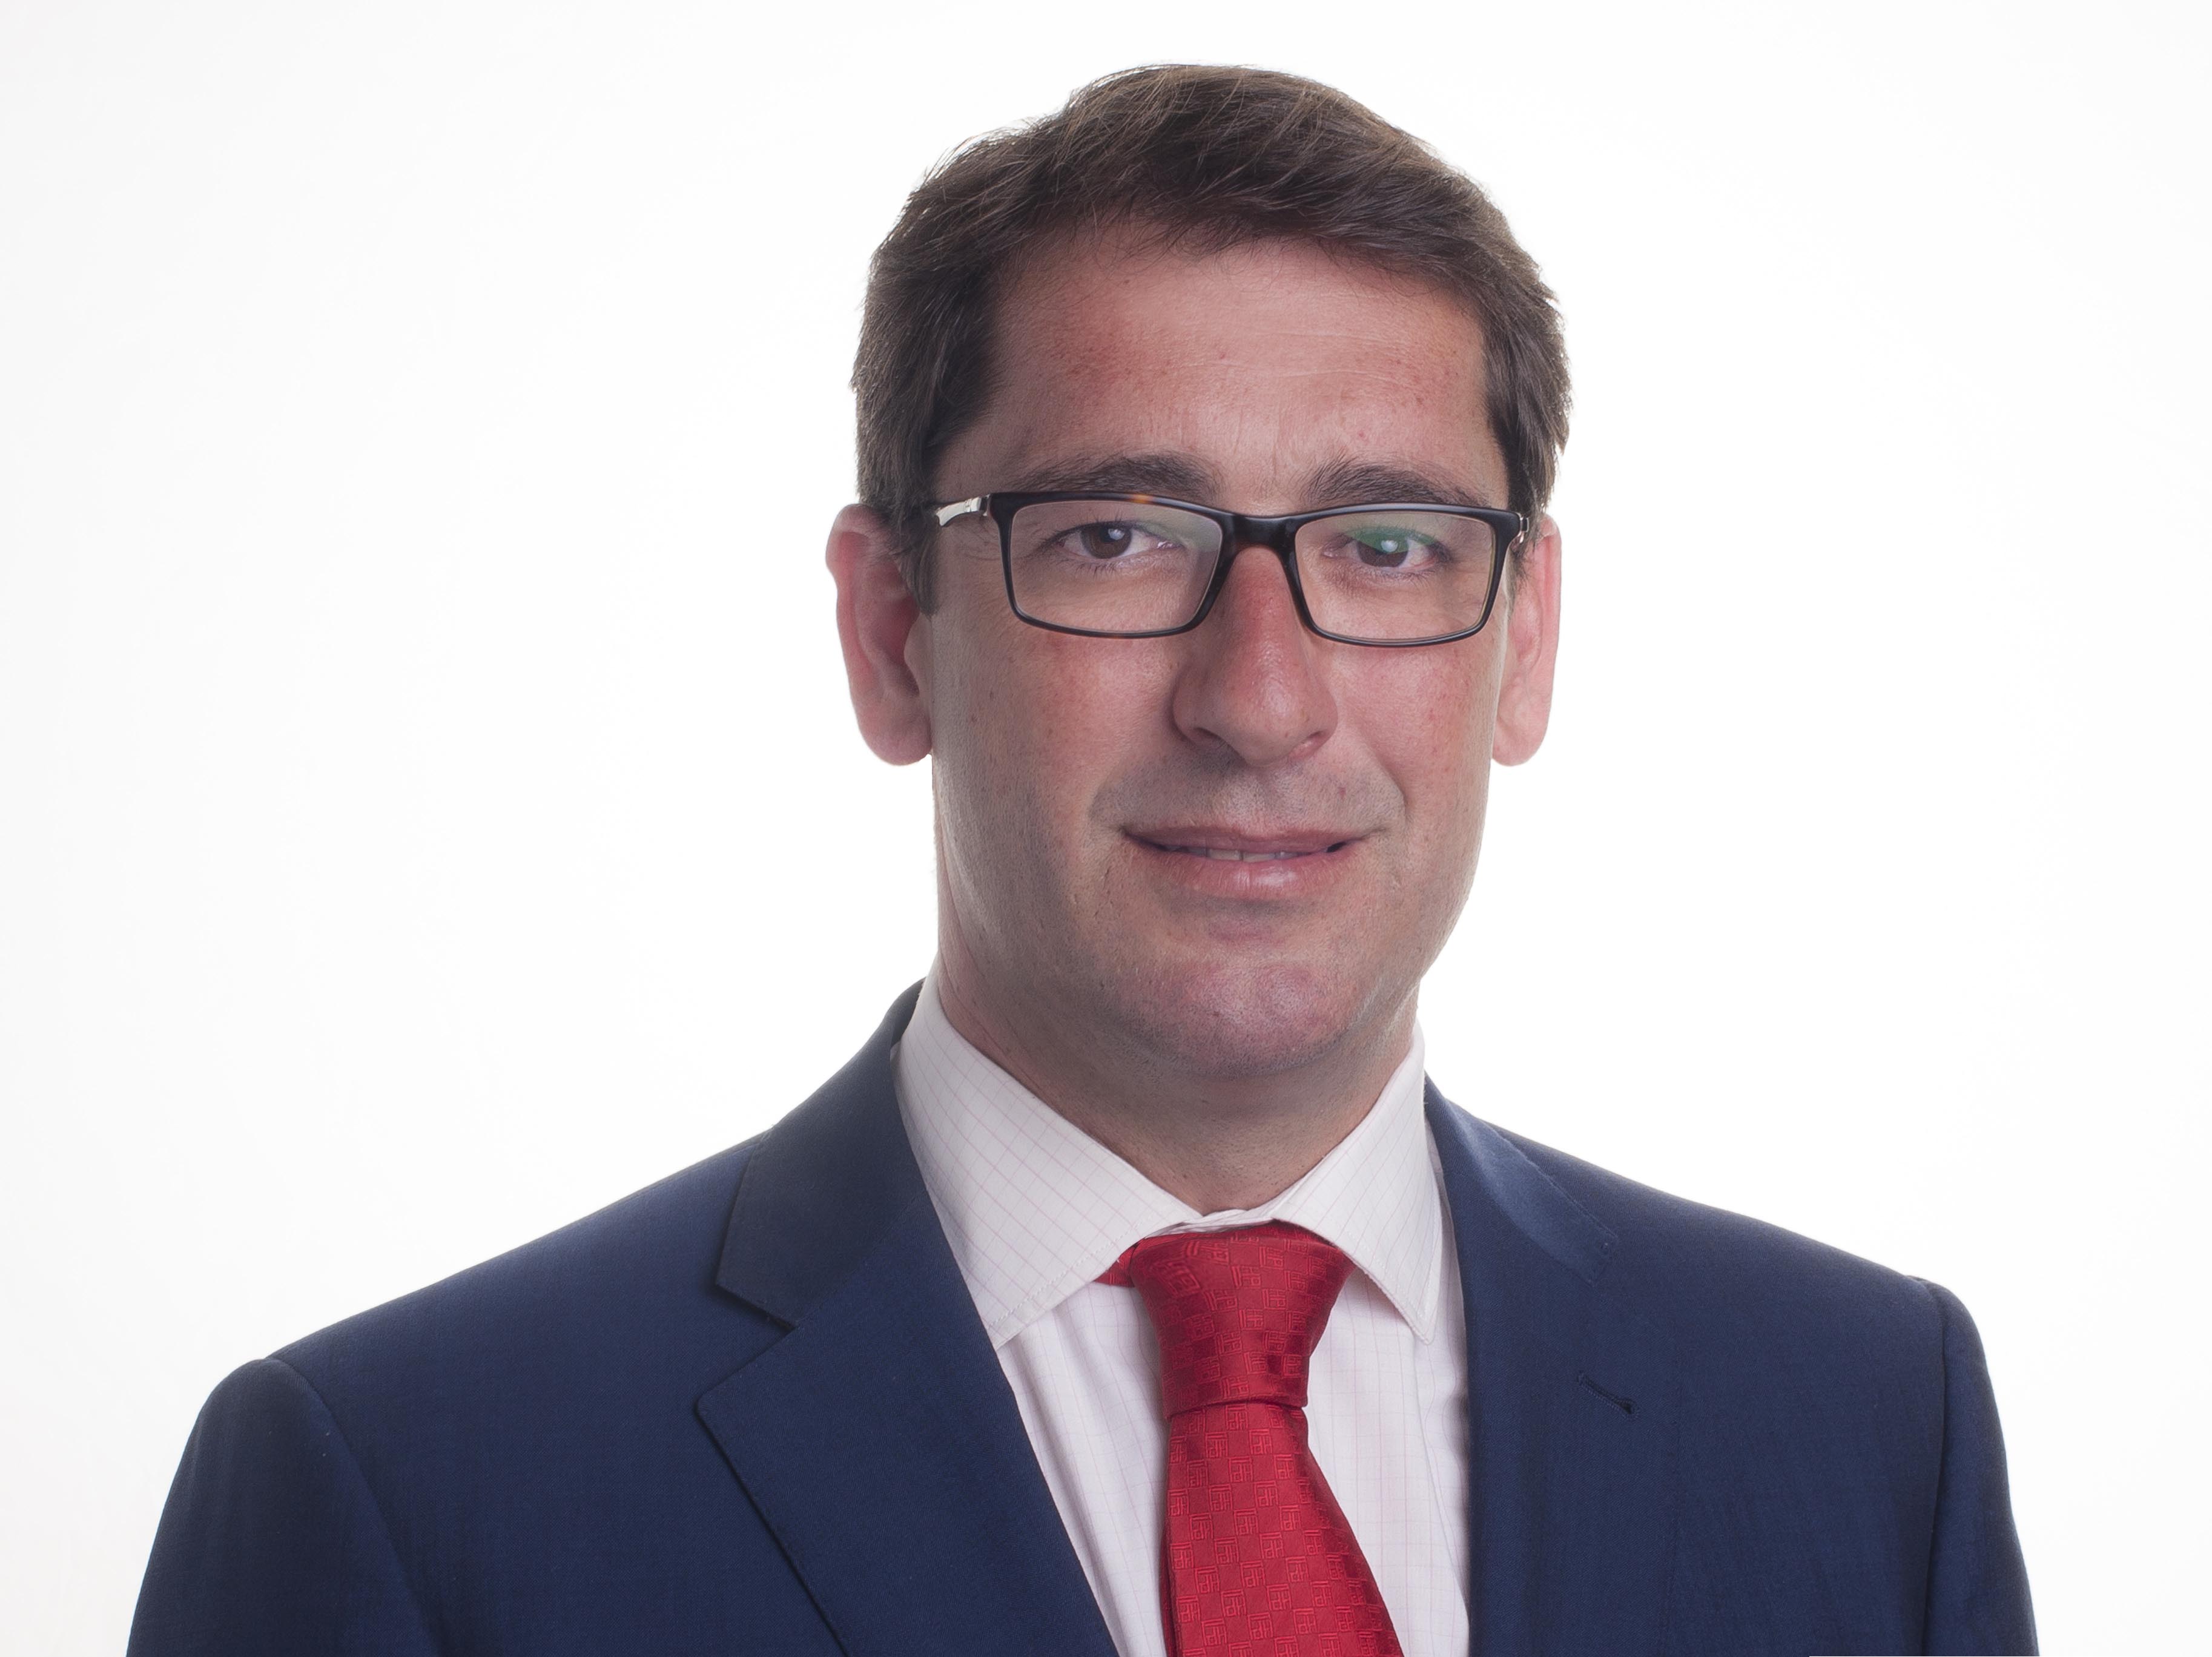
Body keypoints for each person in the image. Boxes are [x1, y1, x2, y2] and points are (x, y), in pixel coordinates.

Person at [127, 64, 2036, 1657]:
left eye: (1387, 547)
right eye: (1119, 537)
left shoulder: (1866, 1419)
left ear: (1523, 642)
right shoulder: (412, 1490)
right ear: (894, 632)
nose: (1263, 697)